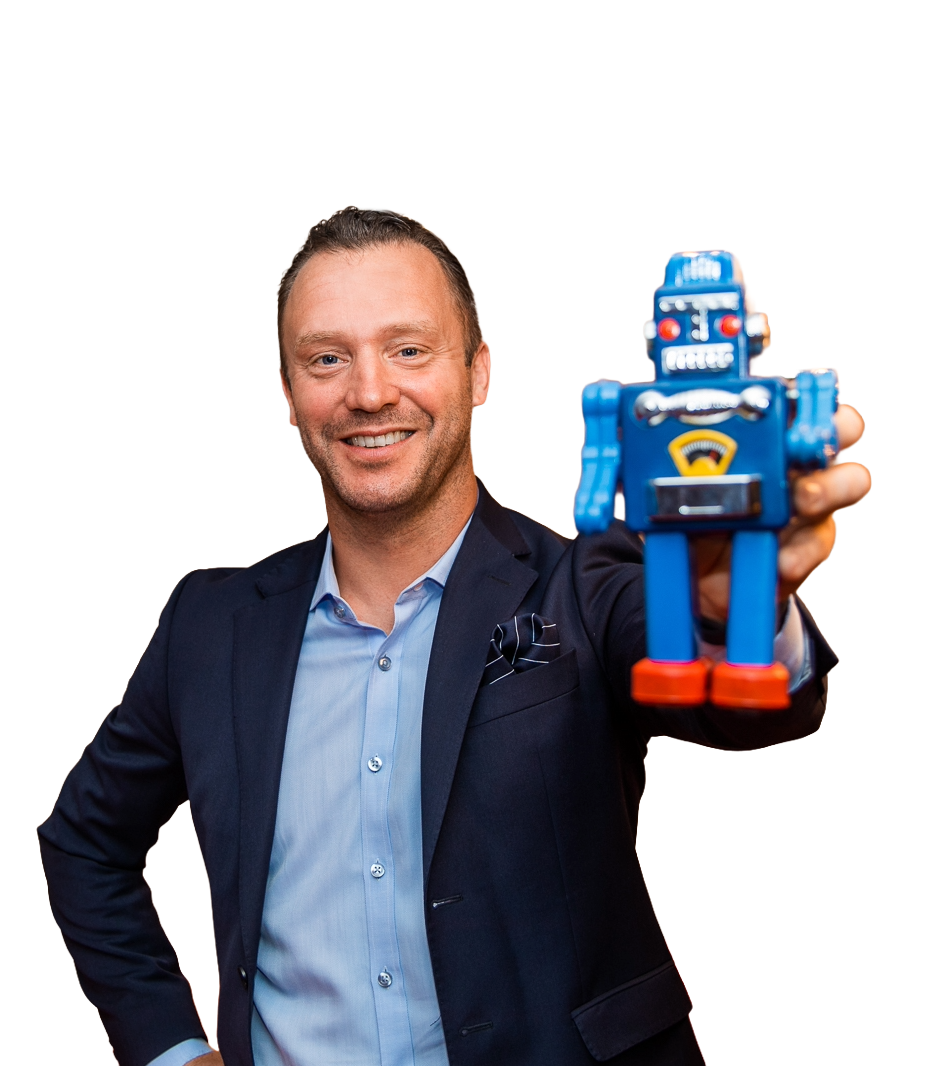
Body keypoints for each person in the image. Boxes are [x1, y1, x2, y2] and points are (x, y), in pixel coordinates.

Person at [38, 208, 872, 1066]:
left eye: (408, 349)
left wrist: (733, 607)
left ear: (478, 370)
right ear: (286, 392)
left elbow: (749, 711)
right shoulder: (206, 624)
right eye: (326, 358)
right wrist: (171, 1050)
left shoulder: (585, 583)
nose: (369, 392)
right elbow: (81, 843)